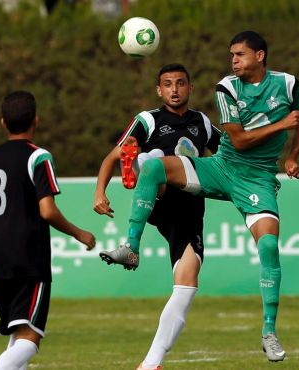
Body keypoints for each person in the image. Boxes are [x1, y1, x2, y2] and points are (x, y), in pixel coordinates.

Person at [101, 31, 299, 362]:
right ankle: (131, 246)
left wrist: (293, 156)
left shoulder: (287, 84)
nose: (234, 61)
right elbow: (238, 141)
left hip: (255, 180)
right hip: (222, 167)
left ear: (260, 56)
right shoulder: (226, 87)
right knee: (154, 168)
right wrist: (282, 124)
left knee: (268, 246)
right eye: (231, 55)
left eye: (239, 55)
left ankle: (269, 332)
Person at [94, 63, 221, 370]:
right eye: (167, 84)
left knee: (187, 283)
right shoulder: (148, 120)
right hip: (160, 198)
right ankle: (139, 167)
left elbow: (226, 153)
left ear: (190, 88)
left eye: (180, 83)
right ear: (159, 90)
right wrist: (100, 191)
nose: (174, 89)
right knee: (153, 163)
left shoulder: (201, 123)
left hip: (190, 211)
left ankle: (151, 364)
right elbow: (112, 157)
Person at [0, 90, 96, 369]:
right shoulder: (38, 157)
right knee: (30, 337)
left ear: (2, 122)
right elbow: (47, 210)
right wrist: (79, 233)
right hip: (28, 259)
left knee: (18, 330)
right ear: (36, 120)